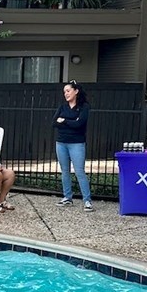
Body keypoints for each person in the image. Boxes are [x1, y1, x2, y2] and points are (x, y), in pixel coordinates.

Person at [54, 79, 93, 212]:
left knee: (79, 171)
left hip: (76, 143)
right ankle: (67, 197)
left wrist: (64, 120)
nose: (66, 94)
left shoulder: (84, 107)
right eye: (64, 92)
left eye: (68, 91)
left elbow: (80, 124)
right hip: (61, 142)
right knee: (65, 171)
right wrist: (71, 121)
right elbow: (54, 122)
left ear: (76, 91)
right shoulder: (62, 106)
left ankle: (87, 200)